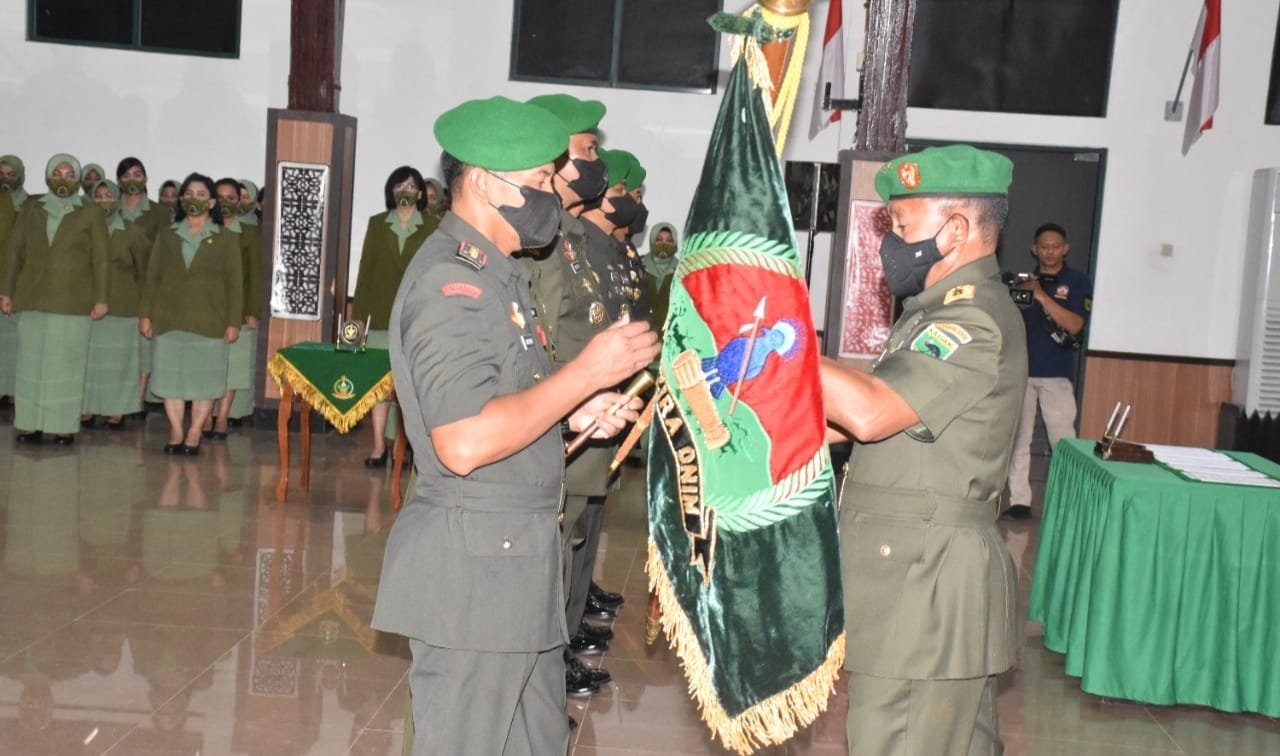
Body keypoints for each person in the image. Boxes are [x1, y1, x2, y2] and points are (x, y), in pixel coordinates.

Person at [370, 95, 659, 756]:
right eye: (538, 183)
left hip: (516, 569)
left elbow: (506, 401)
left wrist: (573, 412)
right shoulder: (452, 285)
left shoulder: (498, 275)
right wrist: (583, 375)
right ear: (484, 184)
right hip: (475, 577)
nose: (552, 199)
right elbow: (464, 441)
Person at [819, 145, 1025, 756]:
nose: (891, 243)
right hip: (919, 578)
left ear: (955, 229)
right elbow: (868, 423)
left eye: (904, 226)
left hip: (924, 587)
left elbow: (872, 412)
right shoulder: (931, 314)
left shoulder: (972, 321)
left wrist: (781, 341)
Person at [523, 92, 622, 697]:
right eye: (587, 150)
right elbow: (542, 338)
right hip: (552, 419)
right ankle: (542, 677)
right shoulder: (542, 237)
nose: (595, 165)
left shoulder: (571, 236)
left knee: (568, 546)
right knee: (550, 558)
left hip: (578, 414)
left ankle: (549, 670)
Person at [1, 153, 110, 445]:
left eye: (70, 174)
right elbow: (15, 251)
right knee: (31, 363)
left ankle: (63, 426)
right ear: (48, 176)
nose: (63, 179)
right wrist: (6, 291)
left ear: (77, 179)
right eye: (57, 173)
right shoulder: (31, 207)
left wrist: (101, 298)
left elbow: (101, 259)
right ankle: (30, 424)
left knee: (66, 364)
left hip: (73, 300)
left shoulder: (90, 212)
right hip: (32, 296)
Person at [139, 173, 242, 455]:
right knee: (170, 380)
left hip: (210, 320)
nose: (194, 198)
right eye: (189, 193)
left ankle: (195, 431)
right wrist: (145, 314)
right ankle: (176, 430)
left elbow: (235, 284)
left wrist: (233, 322)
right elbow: (153, 276)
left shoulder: (225, 238)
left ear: (212, 202)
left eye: (201, 194)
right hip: (168, 318)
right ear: (182, 199)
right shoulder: (167, 234)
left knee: (203, 382)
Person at [1001, 222, 1092, 521]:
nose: (1049, 251)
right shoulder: (1023, 283)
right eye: (1044, 246)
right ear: (1034, 249)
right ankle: (1019, 502)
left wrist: (1041, 295)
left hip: (1057, 374)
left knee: (1063, 442)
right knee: (1019, 440)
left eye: (1055, 246)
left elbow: (1075, 325)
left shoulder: (1077, 282)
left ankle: (1068, 504)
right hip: (1022, 374)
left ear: (1065, 249)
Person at [351, 166, 439, 466]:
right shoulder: (377, 224)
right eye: (399, 186)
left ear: (420, 193)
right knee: (379, 384)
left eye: (411, 186)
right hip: (379, 314)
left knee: (411, 386)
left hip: (417, 317)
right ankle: (378, 446)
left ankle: (411, 446)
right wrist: (359, 316)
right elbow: (366, 270)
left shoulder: (432, 226)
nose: (405, 191)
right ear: (391, 191)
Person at [81, 179, 148, 428]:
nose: (102, 201)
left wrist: (144, 307)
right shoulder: (82, 229)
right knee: (90, 361)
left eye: (108, 195)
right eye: (97, 196)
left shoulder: (132, 231)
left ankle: (117, 410)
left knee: (119, 362)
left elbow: (145, 271)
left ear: (118, 199)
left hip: (123, 305)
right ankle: (87, 407)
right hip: (88, 303)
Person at [205, 177, 264, 439]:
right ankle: (205, 416)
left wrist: (253, 310)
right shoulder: (203, 229)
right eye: (221, 197)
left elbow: (256, 275)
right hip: (207, 309)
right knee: (208, 366)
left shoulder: (249, 233)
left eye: (231, 198)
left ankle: (222, 417)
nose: (225, 202)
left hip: (239, 310)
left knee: (234, 368)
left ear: (240, 202)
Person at [0, 154, 31, 407]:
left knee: (17, 341)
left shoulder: (30, 205)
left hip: (20, 280)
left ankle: (13, 391)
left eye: (11, 174)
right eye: (1, 174)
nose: (6, 179)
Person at [644, 223, 679, 330]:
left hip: (672, 332)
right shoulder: (638, 265)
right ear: (652, 241)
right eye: (659, 240)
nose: (664, 244)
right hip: (642, 330)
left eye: (669, 241)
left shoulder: (682, 269)